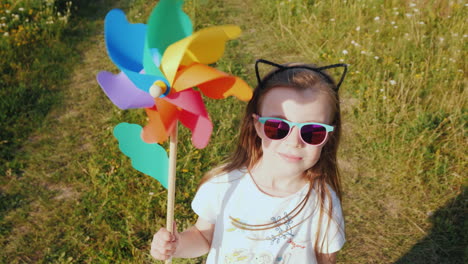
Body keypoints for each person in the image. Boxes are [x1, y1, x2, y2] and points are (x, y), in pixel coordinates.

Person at [150, 58, 348, 264]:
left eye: (312, 131)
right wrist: (177, 244)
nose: (294, 142)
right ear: (258, 125)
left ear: (329, 135)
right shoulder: (223, 184)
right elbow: (203, 236)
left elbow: (326, 259)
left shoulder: (324, 201)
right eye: (277, 126)